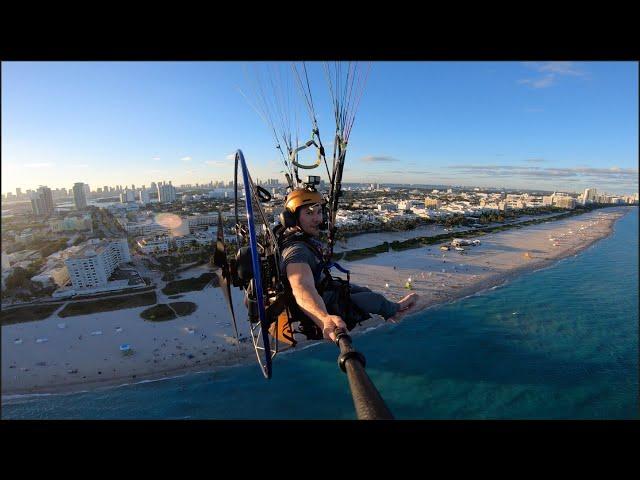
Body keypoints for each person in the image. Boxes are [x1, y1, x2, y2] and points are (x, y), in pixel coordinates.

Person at [278, 187, 419, 343]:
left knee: (364, 291)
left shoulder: (299, 239)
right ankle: (396, 310)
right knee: (374, 299)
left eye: (319, 212)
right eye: (309, 213)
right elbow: (301, 286)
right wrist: (324, 318)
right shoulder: (297, 250)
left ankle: (391, 311)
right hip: (325, 302)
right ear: (292, 219)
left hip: (326, 288)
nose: (318, 219)